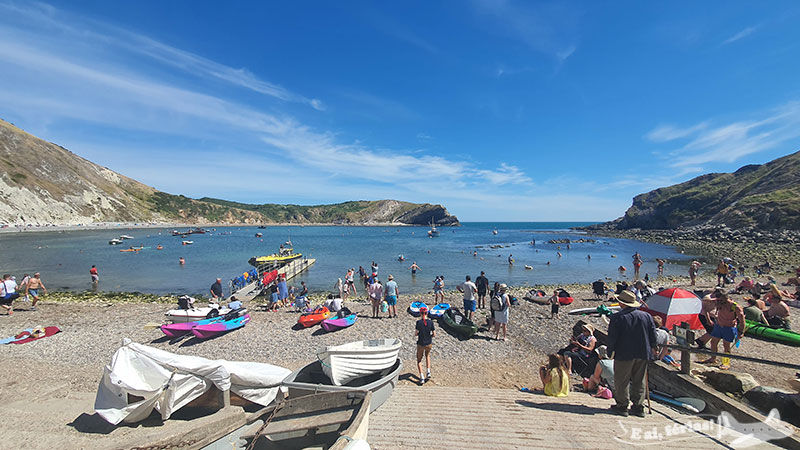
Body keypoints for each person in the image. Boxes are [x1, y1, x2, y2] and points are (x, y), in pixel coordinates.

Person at [606, 290, 657, 417]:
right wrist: (653, 348)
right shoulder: (646, 316)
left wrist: (610, 351)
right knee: (639, 380)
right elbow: (653, 335)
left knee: (622, 380)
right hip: (643, 352)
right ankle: (638, 406)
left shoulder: (618, 318)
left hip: (624, 353)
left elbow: (613, 337)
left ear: (621, 303)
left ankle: (622, 405)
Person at [700, 293, 744, 369]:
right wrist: (708, 320)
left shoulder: (734, 306)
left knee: (726, 345)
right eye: (718, 300)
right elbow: (706, 307)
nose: (719, 301)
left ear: (725, 298)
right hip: (718, 326)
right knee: (713, 342)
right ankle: (713, 358)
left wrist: (741, 332)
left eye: (720, 300)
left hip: (729, 327)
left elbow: (742, 319)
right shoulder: (718, 302)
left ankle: (726, 363)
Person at [414, 306, 435, 384]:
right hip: (429, 343)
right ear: (427, 313)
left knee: (419, 359)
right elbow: (434, 334)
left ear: (420, 313)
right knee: (427, 355)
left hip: (421, 343)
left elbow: (416, 333)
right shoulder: (430, 322)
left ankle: (421, 376)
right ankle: (428, 371)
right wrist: (430, 336)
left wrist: (419, 333)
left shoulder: (418, 323)